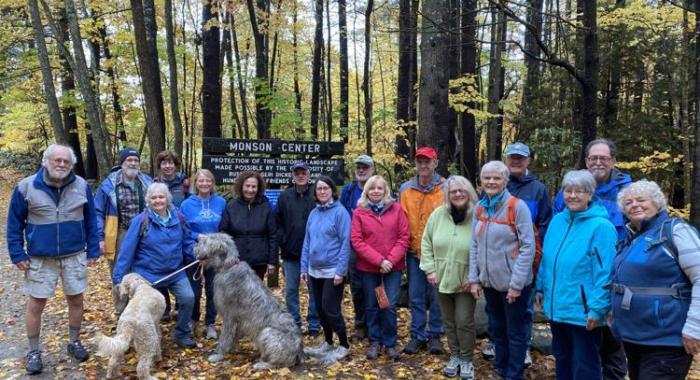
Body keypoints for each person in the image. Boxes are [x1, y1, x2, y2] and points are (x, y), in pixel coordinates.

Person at [7, 144, 100, 374]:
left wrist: (94, 249)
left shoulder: (81, 186)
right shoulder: (26, 187)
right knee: (36, 303)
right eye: (57, 160)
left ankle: (74, 341)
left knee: (76, 300)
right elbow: (14, 223)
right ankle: (34, 351)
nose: (61, 164)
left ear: (72, 165)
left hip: (74, 255)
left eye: (66, 162)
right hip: (40, 258)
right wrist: (17, 253)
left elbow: (91, 220)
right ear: (46, 161)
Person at [552, 139, 631, 380]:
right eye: (593, 158)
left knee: (611, 345)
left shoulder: (628, 192)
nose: (598, 162)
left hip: (612, 279)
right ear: (586, 161)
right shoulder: (565, 197)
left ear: (613, 161)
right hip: (574, 290)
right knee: (578, 352)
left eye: (603, 158)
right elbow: (559, 238)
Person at [610, 180, 700, 380]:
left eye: (641, 200)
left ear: (657, 203)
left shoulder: (675, 231)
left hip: (666, 340)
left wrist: (695, 328)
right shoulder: (631, 238)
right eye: (628, 202)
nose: (634, 205)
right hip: (634, 338)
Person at [535, 170, 617, 380]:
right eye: (568, 190)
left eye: (579, 191)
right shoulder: (557, 221)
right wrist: (540, 286)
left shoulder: (602, 227)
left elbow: (606, 273)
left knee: (585, 364)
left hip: (584, 312)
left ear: (590, 194)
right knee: (562, 358)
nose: (572, 196)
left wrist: (598, 308)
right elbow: (547, 259)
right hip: (557, 306)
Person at [482, 142, 553, 365]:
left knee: (523, 308)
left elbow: (544, 222)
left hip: (525, 258)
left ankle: (522, 347)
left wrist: (532, 250)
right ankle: (497, 343)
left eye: (520, 158)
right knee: (494, 307)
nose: (516, 161)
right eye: (512, 157)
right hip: (496, 260)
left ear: (528, 161)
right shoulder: (496, 184)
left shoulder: (538, 189)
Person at [469, 160, 535, 380]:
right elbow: (474, 245)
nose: (491, 181)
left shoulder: (517, 207)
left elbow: (528, 247)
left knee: (515, 331)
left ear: (505, 181)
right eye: (487, 177)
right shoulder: (480, 207)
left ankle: (514, 374)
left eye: (496, 177)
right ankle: (501, 366)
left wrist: (516, 285)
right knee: (497, 328)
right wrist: (474, 279)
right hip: (489, 282)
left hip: (512, 284)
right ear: (481, 181)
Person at [112, 183, 196, 349]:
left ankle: (181, 333)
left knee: (188, 298)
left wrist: (196, 254)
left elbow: (186, 242)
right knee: (142, 308)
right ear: (148, 200)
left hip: (175, 272)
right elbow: (126, 251)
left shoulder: (178, 218)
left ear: (168, 199)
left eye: (161, 197)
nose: (158, 200)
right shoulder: (141, 221)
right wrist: (118, 278)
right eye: (154, 197)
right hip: (147, 275)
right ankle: (136, 337)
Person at [420, 175, 478, 379]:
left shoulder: (478, 215)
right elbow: (426, 242)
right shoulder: (438, 214)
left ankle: (467, 359)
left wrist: (474, 277)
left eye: (462, 190)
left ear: (469, 192)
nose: (458, 194)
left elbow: (485, 246)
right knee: (449, 321)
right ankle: (454, 355)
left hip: (466, 281)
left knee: (464, 321)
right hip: (441, 278)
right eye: (453, 191)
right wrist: (430, 269)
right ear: (448, 194)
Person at [350, 175, 409, 361]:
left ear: (385, 191)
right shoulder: (360, 212)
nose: (376, 191)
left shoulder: (397, 210)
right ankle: (375, 341)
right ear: (366, 191)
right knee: (372, 305)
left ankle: (390, 342)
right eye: (372, 188)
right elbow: (357, 241)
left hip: (393, 268)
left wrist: (390, 260)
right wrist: (379, 261)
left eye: (380, 188)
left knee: (388, 304)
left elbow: (404, 237)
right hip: (369, 269)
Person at [399, 146, 446, 355]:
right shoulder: (405, 189)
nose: (424, 165)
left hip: (439, 252)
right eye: (420, 161)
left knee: (436, 295)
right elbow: (400, 220)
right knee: (415, 295)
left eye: (427, 161)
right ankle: (417, 334)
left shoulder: (446, 187)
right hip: (412, 251)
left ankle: (435, 334)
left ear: (435, 163)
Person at [301, 176, 352, 361]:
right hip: (314, 270)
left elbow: (346, 243)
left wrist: (341, 271)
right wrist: (303, 268)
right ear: (315, 192)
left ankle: (344, 344)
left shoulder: (340, 213)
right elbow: (307, 241)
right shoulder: (314, 213)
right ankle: (328, 342)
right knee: (320, 310)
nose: (322, 191)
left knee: (330, 308)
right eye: (319, 189)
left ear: (332, 190)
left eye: (325, 188)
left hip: (333, 270)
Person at [179, 169, 226, 340]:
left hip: (215, 255)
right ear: (195, 184)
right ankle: (193, 321)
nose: (204, 184)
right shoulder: (186, 205)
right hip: (195, 255)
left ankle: (211, 323)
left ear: (212, 183)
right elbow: (183, 229)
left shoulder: (220, 202)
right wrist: (196, 236)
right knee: (194, 292)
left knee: (213, 291)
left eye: (208, 181)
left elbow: (225, 226)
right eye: (201, 181)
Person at [276, 161, 321, 336]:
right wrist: (283, 240)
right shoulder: (285, 196)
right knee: (291, 291)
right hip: (291, 253)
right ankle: (295, 323)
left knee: (314, 291)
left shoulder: (317, 194)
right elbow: (277, 222)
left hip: (313, 253)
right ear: (292, 176)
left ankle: (314, 325)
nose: (300, 176)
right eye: (297, 173)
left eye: (303, 173)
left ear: (309, 175)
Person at [95, 147, 153, 273]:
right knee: (119, 270)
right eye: (129, 160)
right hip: (119, 232)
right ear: (122, 163)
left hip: (144, 231)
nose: (133, 163)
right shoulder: (109, 185)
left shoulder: (147, 182)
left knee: (144, 270)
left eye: (136, 160)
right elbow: (97, 212)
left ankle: (140, 293)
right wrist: (99, 238)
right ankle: (118, 292)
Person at [340, 154, 376, 340]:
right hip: (354, 247)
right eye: (358, 167)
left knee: (377, 288)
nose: (361, 170)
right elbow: (340, 215)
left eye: (365, 167)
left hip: (376, 248)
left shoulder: (379, 189)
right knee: (357, 287)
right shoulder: (348, 190)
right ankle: (360, 324)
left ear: (372, 170)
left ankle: (376, 325)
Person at [219, 171, 277, 281]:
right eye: (247, 186)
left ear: (258, 188)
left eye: (254, 186)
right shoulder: (231, 206)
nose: (250, 190)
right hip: (236, 262)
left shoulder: (266, 208)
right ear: (241, 186)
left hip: (259, 263)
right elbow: (223, 234)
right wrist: (229, 256)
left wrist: (272, 261)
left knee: (254, 296)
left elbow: (273, 236)